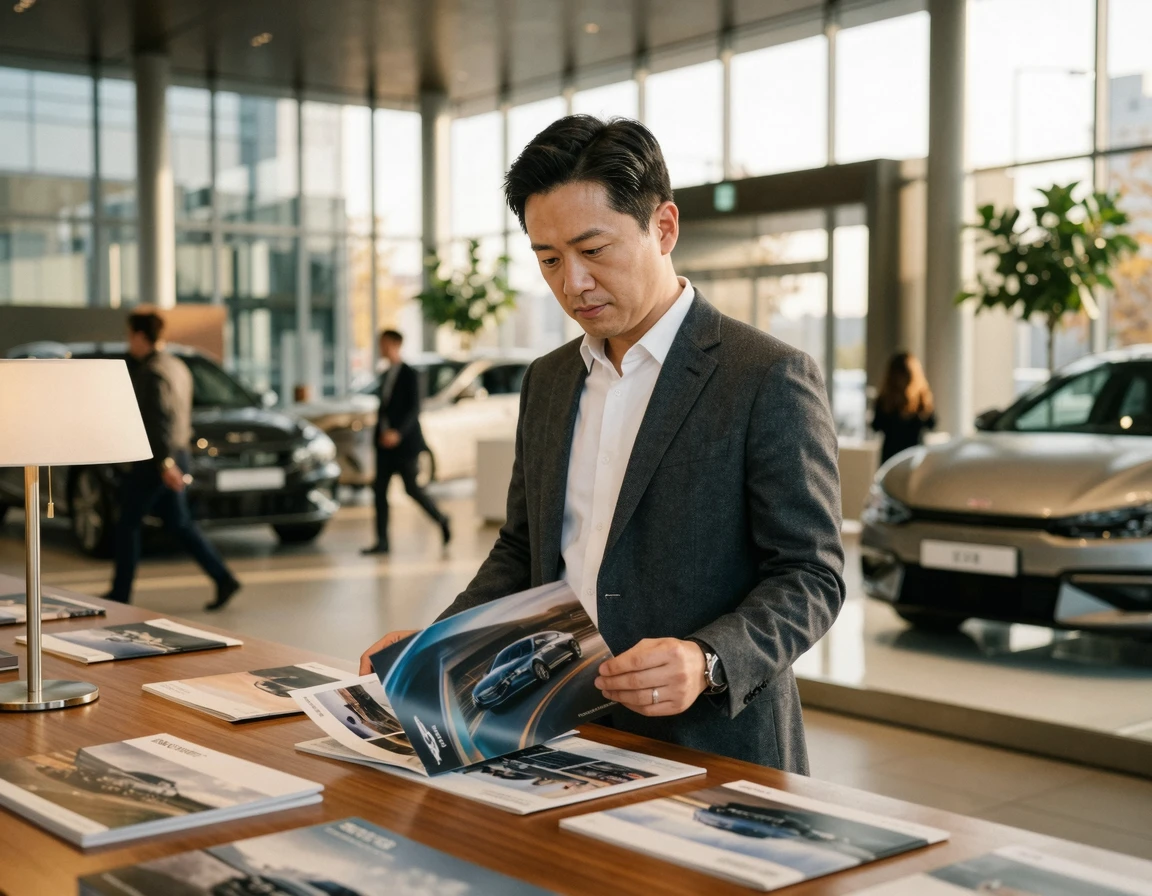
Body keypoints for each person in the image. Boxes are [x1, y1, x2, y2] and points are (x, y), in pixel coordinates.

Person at [360, 116, 845, 773]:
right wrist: (435, 649)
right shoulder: (550, 379)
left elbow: (811, 574)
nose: (573, 283)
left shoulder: (766, 377)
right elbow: (522, 548)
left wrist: (708, 659)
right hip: (551, 733)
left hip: (710, 743)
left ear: (664, 227)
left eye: (594, 250)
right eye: (550, 259)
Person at [105, 309, 241, 611]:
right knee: (180, 523)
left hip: (156, 459)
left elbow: (158, 422)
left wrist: (164, 464)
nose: (129, 344)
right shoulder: (177, 366)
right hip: (178, 452)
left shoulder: (151, 372)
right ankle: (223, 578)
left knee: (127, 523)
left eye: (130, 336)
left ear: (140, 336)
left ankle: (120, 593)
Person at [362, 330, 451, 555]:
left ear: (395, 344)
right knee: (379, 491)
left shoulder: (411, 374)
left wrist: (397, 433)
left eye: (383, 344)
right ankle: (382, 541)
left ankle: (441, 519)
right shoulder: (384, 374)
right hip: (383, 445)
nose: (380, 348)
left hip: (404, 445)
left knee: (412, 489)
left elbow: (414, 409)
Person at [871, 351, 937, 464]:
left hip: (892, 456)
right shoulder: (921, 400)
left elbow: (876, 426)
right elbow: (932, 424)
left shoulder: (885, 400)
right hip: (914, 456)